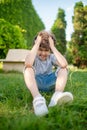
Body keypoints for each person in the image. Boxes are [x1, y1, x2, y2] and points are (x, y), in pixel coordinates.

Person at [23, 30, 73, 116]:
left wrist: (53, 47)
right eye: (40, 49)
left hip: (49, 82)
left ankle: (56, 96)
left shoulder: (51, 57)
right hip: (36, 82)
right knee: (27, 69)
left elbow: (64, 64)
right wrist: (37, 44)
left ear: (50, 51)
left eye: (46, 50)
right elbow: (28, 63)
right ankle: (37, 98)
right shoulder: (33, 56)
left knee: (63, 69)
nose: (43, 53)